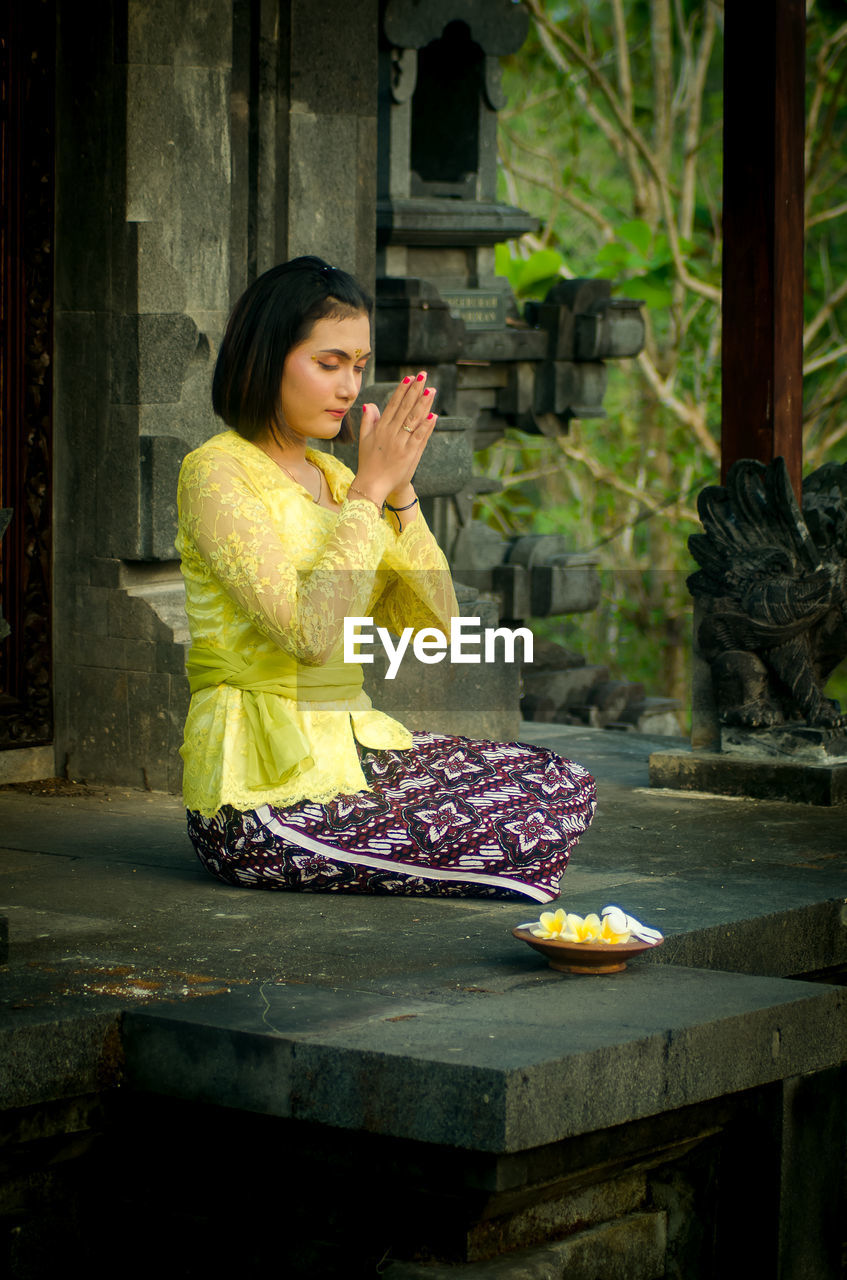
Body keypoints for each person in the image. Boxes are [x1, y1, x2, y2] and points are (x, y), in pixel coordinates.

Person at [176, 256, 596, 901]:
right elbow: (311, 637)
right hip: (260, 796)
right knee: (524, 830)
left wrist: (399, 492)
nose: (350, 388)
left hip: (355, 752)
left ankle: (498, 863)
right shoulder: (217, 473)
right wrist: (370, 493)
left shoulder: (341, 481)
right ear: (265, 359)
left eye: (360, 366)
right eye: (329, 363)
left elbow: (433, 629)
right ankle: (502, 866)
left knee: (563, 782)